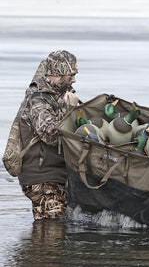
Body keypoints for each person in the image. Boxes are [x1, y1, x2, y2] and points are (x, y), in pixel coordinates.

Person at [18, 50, 79, 221]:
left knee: (55, 227)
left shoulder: (61, 96)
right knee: (50, 228)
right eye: (71, 75)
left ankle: (38, 247)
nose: (74, 79)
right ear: (58, 74)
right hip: (42, 177)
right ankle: (38, 248)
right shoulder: (38, 100)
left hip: (56, 175)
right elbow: (50, 135)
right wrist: (70, 110)